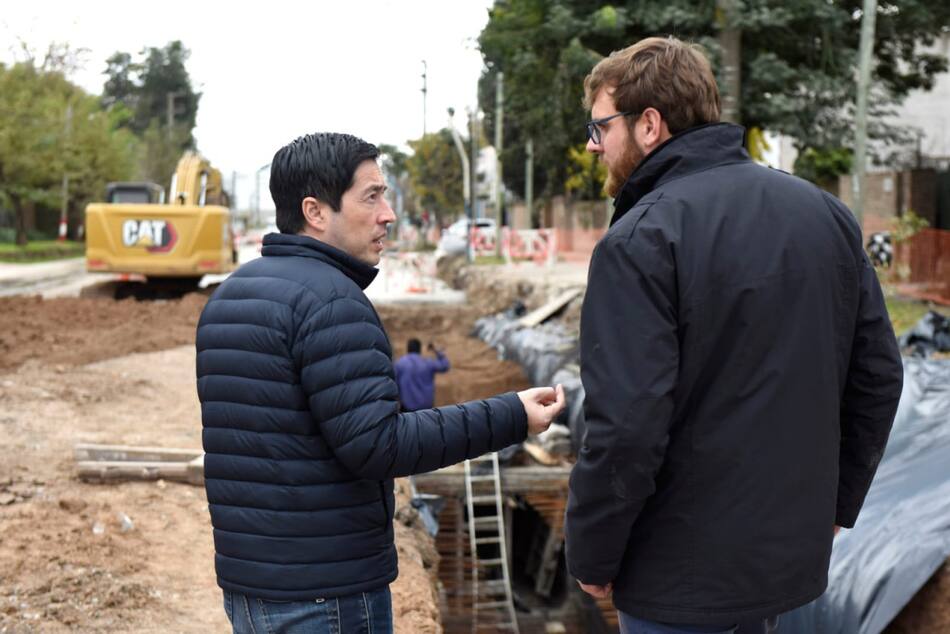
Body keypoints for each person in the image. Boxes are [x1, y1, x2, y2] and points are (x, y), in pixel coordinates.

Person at [564, 37, 903, 634]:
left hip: (678, 576)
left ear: (649, 125)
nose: (593, 146)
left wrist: (592, 554)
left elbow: (626, 429)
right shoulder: (823, 214)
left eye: (600, 128)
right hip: (783, 566)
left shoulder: (641, 239)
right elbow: (877, 375)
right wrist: (835, 504)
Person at [195, 132, 565, 634]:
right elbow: (380, 446)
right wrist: (512, 415)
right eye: (372, 196)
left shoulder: (230, 297)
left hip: (253, 586)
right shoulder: (333, 303)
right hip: (327, 594)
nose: (388, 213)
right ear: (316, 211)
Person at [394, 338, 450, 411]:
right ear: (419, 349)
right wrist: (436, 350)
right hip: (426, 410)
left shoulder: (400, 363)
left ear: (408, 349)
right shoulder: (427, 362)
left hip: (407, 409)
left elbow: (395, 383)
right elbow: (445, 365)